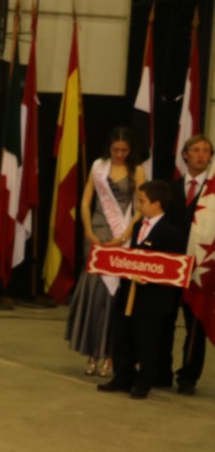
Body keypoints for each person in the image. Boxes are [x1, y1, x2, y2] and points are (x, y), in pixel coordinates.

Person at [98, 180, 189, 399]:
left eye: (142, 201)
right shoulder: (139, 226)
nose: (138, 205)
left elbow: (172, 268)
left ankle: (144, 380)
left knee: (147, 340)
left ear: (156, 204)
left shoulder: (172, 232)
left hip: (152, 299)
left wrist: (149, 275)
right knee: (123, 336)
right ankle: (123, 376)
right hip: (130, 292)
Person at [67, 128, 144, 377]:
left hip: (124, 235)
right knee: (95, 294)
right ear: (109, 148)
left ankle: (111, 355)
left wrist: (126, 234)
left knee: (115, 297)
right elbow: (86, 200)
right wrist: (89, 231)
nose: (119, 154)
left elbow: (141, 206)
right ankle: (92, 352)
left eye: (124, 150)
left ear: (130, 150)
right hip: (98, 233)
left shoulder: (137, 170)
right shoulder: (98, 166)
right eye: (115, 150)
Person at [176, 134, 213, 394]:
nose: (201, 155)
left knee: (195, 325)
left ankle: (188, 377)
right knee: (163, 322)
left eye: (206, 151)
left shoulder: (213, 192)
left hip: (199, 268)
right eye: (196, 150)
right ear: (185, 154)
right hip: (171, 266)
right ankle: (158, 371)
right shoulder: (170, 187)